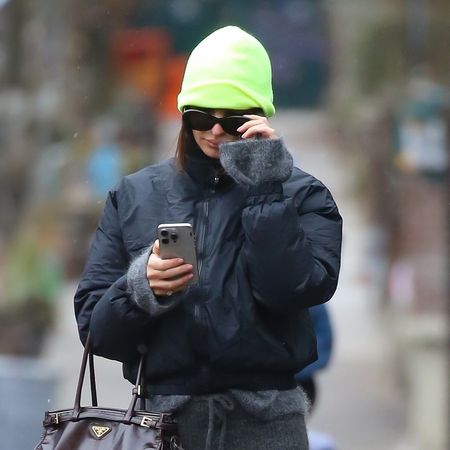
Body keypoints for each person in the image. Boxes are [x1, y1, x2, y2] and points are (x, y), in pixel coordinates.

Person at [75, 26, 342, 450]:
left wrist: (265, 190)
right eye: (201, 117)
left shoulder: (304, 196)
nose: (216, 132)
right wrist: (141, 287)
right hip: (162, 428)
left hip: (268, 428)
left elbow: (291, 290)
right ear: (184, 113)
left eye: (233, 119)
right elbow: (95, 331)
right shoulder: (135, 196)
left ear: (260, 116)